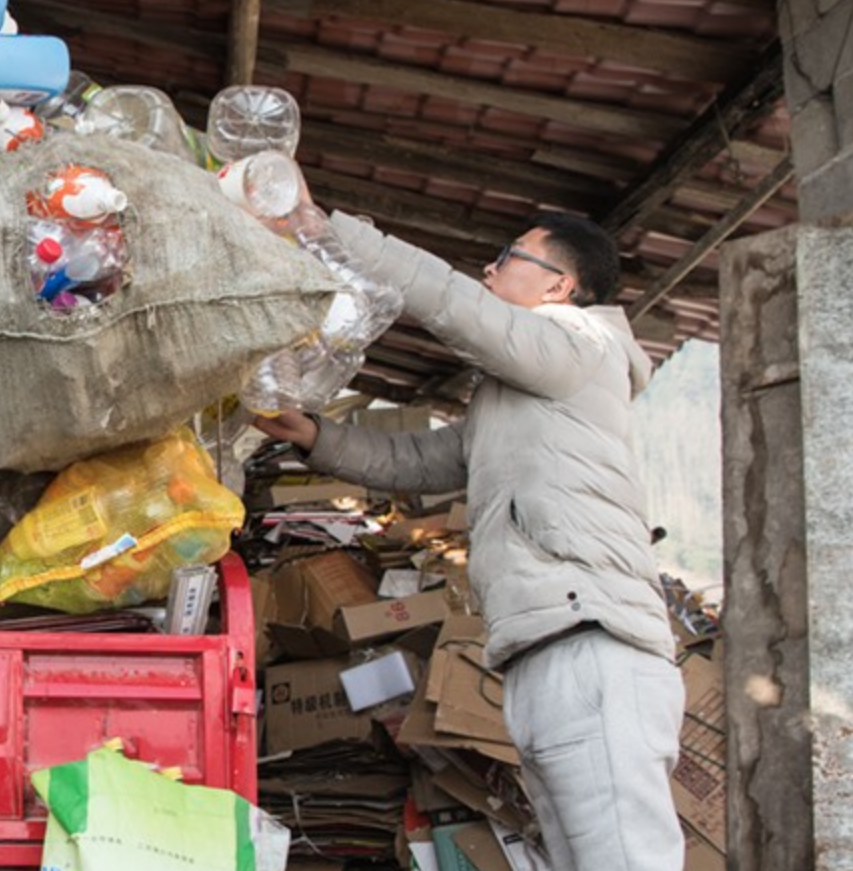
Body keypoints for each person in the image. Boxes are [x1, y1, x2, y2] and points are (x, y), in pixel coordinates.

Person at [253, 210, 685, 871]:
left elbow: (457, 306)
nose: (488, 268)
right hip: (540, 650)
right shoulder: (518, 395)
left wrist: (332, 230)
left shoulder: (579, 345)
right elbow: (417, 463)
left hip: (592, 646)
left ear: (558, 287)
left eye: (509, 255)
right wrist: (315, 434)